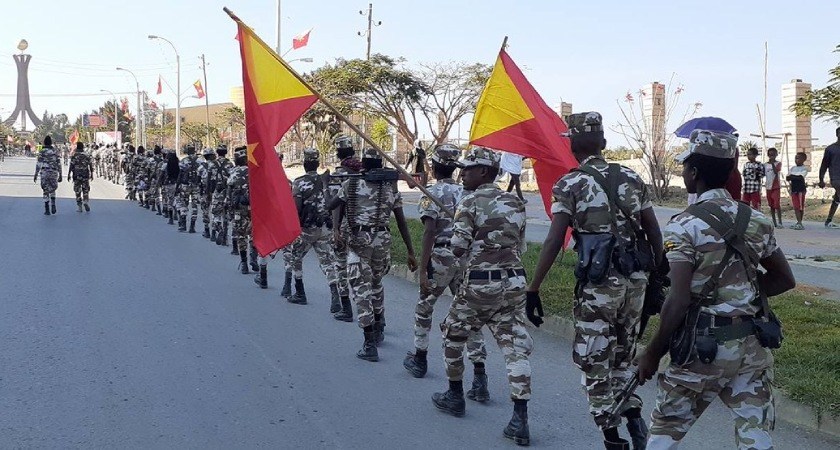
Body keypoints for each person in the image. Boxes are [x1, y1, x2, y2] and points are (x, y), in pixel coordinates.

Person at [637, 129, 795, 449]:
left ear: (694, 174)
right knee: (755, 434)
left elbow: (679, 298)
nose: (683, 173)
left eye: (684, 167)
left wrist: (653, 352)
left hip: (701, 348)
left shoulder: (684, 225)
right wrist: (740, 293)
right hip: (751, 345)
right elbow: (784, 279)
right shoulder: (756, 220)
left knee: (666, 431)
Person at [526, 112, 662, 450]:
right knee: (622, 357)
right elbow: (654, 232)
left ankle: (611, 437)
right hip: (635, 282)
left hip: (599, 287)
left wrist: (534, 287)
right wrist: (657, 278)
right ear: (602, 143)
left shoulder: (570, 183)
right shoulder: (631, 177)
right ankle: (634, 419)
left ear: (572, 144)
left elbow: (556, 239)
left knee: (593, 360)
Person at [431, 146, 532, 446]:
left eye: (469, 169)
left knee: (453, 332)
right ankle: (520, 419)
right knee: (514, 346)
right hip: (513, 282)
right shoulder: (516, 202)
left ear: (484, 172)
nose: (463, 173)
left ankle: (454, 395)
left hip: (479, 284)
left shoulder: (469, 202)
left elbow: (458, 248)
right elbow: (521, 246)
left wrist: (464, 230)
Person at [404, 144, 488, 399]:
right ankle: (480, 375)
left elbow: (429, 231)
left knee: (425, 307)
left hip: (440, 256)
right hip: (465, 258)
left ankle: (420, 357)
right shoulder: (467, 193)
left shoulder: (433, 193)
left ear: (434, 166)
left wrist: (422, 269)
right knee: (469, 315)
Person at [333, 147, 417, 361]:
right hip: (382, 242)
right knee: (376, 283)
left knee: (361, 290)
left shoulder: (350, 184)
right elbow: (401, 220)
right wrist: (409, 250)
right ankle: (379, 322)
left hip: (359, 243)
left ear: (363, 165)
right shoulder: (389, 189)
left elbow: (332, 205)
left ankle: (369, 341)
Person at [279, 148, 341, 305]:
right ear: (318, 163)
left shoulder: (299, 182)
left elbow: (296, 209)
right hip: (325, 228)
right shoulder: (328, 181)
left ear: (305, 164)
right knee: (327, 262)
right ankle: (335, 296)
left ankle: (299, 292)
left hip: (306, 230)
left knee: (295, 258)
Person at [326, 135, 363, 322]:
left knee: (341, 266)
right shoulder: (362, 169)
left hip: (345, 226)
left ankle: (346, 308)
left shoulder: (339, 173)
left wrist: (335, 229)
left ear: (339, 152)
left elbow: (335, 204)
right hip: (362, 228)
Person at [227, 148, 258, 274]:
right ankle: (254, 258)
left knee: (241, 236)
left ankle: (244, 262)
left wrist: (229, 208)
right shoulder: (255, 172)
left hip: (239, 209)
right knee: (254, 235)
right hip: (254, 209)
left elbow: (229, 192)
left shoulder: (234, 173)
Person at [210, 145, 233, 245]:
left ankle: (219, 229)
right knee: (226, 215)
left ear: (217, 152)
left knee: (216, 213)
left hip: (217, 191)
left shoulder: (212, 164)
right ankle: (225, 238)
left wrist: (209, 192)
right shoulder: (230, 164)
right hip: (227, 192)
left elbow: (209, 179)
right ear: (226, 152)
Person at [33, 136, 62, 215]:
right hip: (53, 172)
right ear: (51, 142)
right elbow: (59, 164)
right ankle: (53, 204)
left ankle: (47, 209)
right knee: (53, 189)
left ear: (44, 143)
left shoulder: (42, 151)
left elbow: (39, 164)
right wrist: (61, 174)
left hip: (45, 172)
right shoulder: (55, 151)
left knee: (45, 190)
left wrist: (36, 174)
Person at [818, 126, 840, 228]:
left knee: (837, 198)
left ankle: (829, 219)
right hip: (836, 178)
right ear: (837, 134)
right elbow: (824, 165)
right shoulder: (830, 149)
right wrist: (821, 179)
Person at [177, 146, 202, 233]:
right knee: (195, 206)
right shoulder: (200, 161)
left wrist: (178, 186)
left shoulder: (183, 160)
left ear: (187, 152)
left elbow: (180, 174)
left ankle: (183, 224)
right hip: (196, 186)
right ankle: (192, 226)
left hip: (185, 185)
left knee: (184, 204)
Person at [68, 142, 94, 212]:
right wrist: (92, 174)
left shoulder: (74, 155)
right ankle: (85, 201)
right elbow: (91, 165)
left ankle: (79, 206)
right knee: (85, 190)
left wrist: (69, 174)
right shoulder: (87, 155)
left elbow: (71, 166)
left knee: (77, 191)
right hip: (85, 175)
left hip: (76, 175)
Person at [786, 152, 809, 230]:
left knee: (800, 207)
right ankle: (798, 221)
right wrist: (794, 177)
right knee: (796, 206)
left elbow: (801, 177)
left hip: (800, 190)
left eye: (798, 158)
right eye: (796, 158)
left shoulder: (804, 168)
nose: (796, 160)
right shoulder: (793, 168)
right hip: (794, 189)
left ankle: (800, 222)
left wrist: (792, 177)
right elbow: (787, 178)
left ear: (803, 159)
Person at [199, 148, 217, 238]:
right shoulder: (217, 165)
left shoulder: (201, 167)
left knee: (205, 212)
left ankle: (207, 231)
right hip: (216, 192)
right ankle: (214, 232)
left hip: (205, 192)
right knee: (215, 213)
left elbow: (198, 181)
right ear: (211, 155)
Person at [160, 150, 180, 225]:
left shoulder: (165, 165)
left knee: (170, 201)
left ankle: (171, 218)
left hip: (169, 184)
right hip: (178, 184)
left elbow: (161, 175)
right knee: (177, 200)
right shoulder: (179, 165)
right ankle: (178, 216)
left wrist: (158, 183)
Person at [765, 147, 783, 228]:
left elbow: (776, 171)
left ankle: (780, 221)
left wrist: (772, 163)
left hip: (775, 186)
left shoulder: (778, 163)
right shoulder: (765, 165)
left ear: (776, 155)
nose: (772, 156)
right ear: (768, 155)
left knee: (777, 204)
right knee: (771, 205)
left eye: (773, 155)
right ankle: (774, 221)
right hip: (768, 186)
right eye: (770, 155)